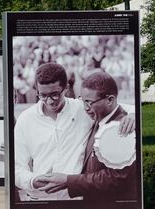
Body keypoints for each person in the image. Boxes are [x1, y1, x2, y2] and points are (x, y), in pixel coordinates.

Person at [14, 63, 134, 201]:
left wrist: (133, 114)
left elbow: (115, 106)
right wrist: (32, 180)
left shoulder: (83, 108)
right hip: (39, 199)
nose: (49, 101)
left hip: (77, 199)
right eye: (43, 95)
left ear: (66, 89)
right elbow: (16, 167)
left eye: (55, 95)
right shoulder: (25, 119)